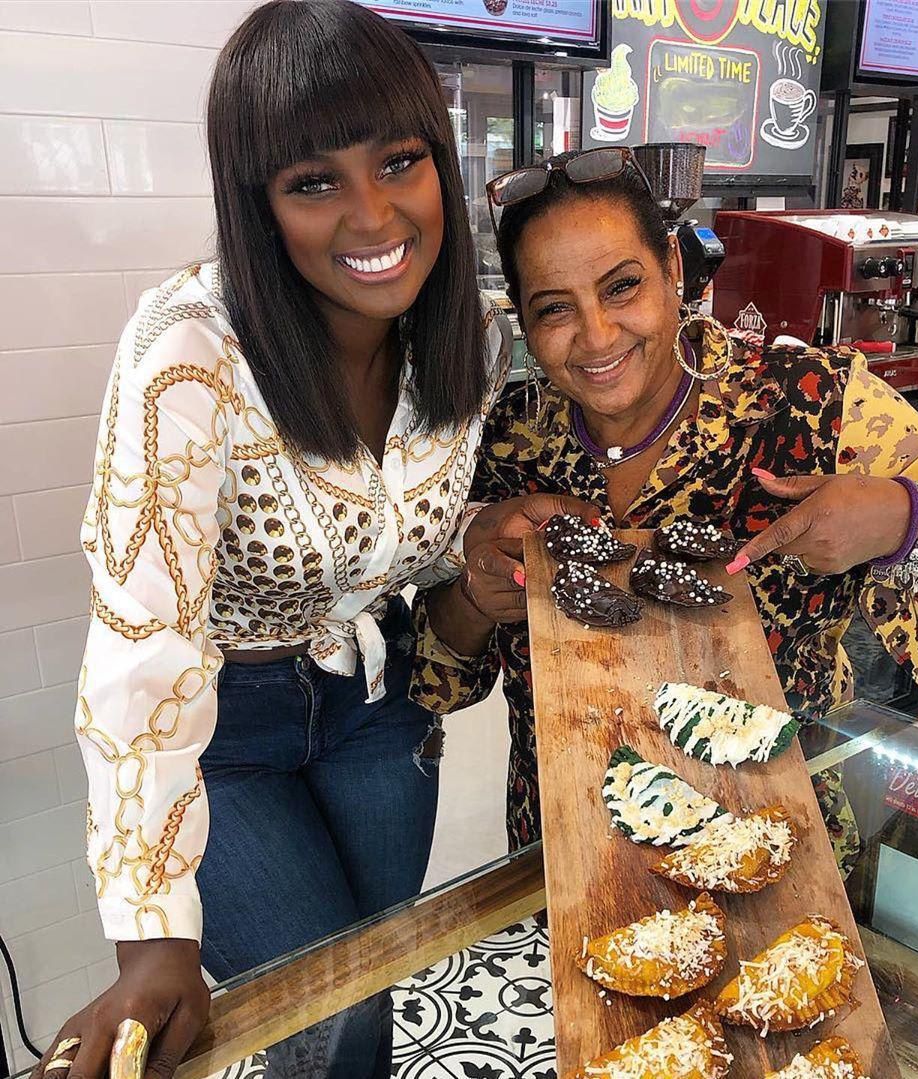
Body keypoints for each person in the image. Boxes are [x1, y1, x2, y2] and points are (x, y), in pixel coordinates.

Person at [36, 4, 582, 1079]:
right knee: (335, 1029)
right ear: (258, 203)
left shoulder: (460, 339)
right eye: (312, 180)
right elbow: (140, 645)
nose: (374, 214)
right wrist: (152, 937)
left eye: (399, 162)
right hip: (225, 730)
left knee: (364, 986)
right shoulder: (189, 357)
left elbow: (393, 545)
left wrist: (478, 536)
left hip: (379, 710)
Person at [411, 148, 918, 861]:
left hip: (776, 839)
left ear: (675, 270)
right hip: (570, 849)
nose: (596, 335)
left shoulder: (809, 401)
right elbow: (439, 677)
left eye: (621, 287)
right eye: (555, 308)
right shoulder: (505, 442)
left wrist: (902, 517)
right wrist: (472, 593)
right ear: (520, 315)